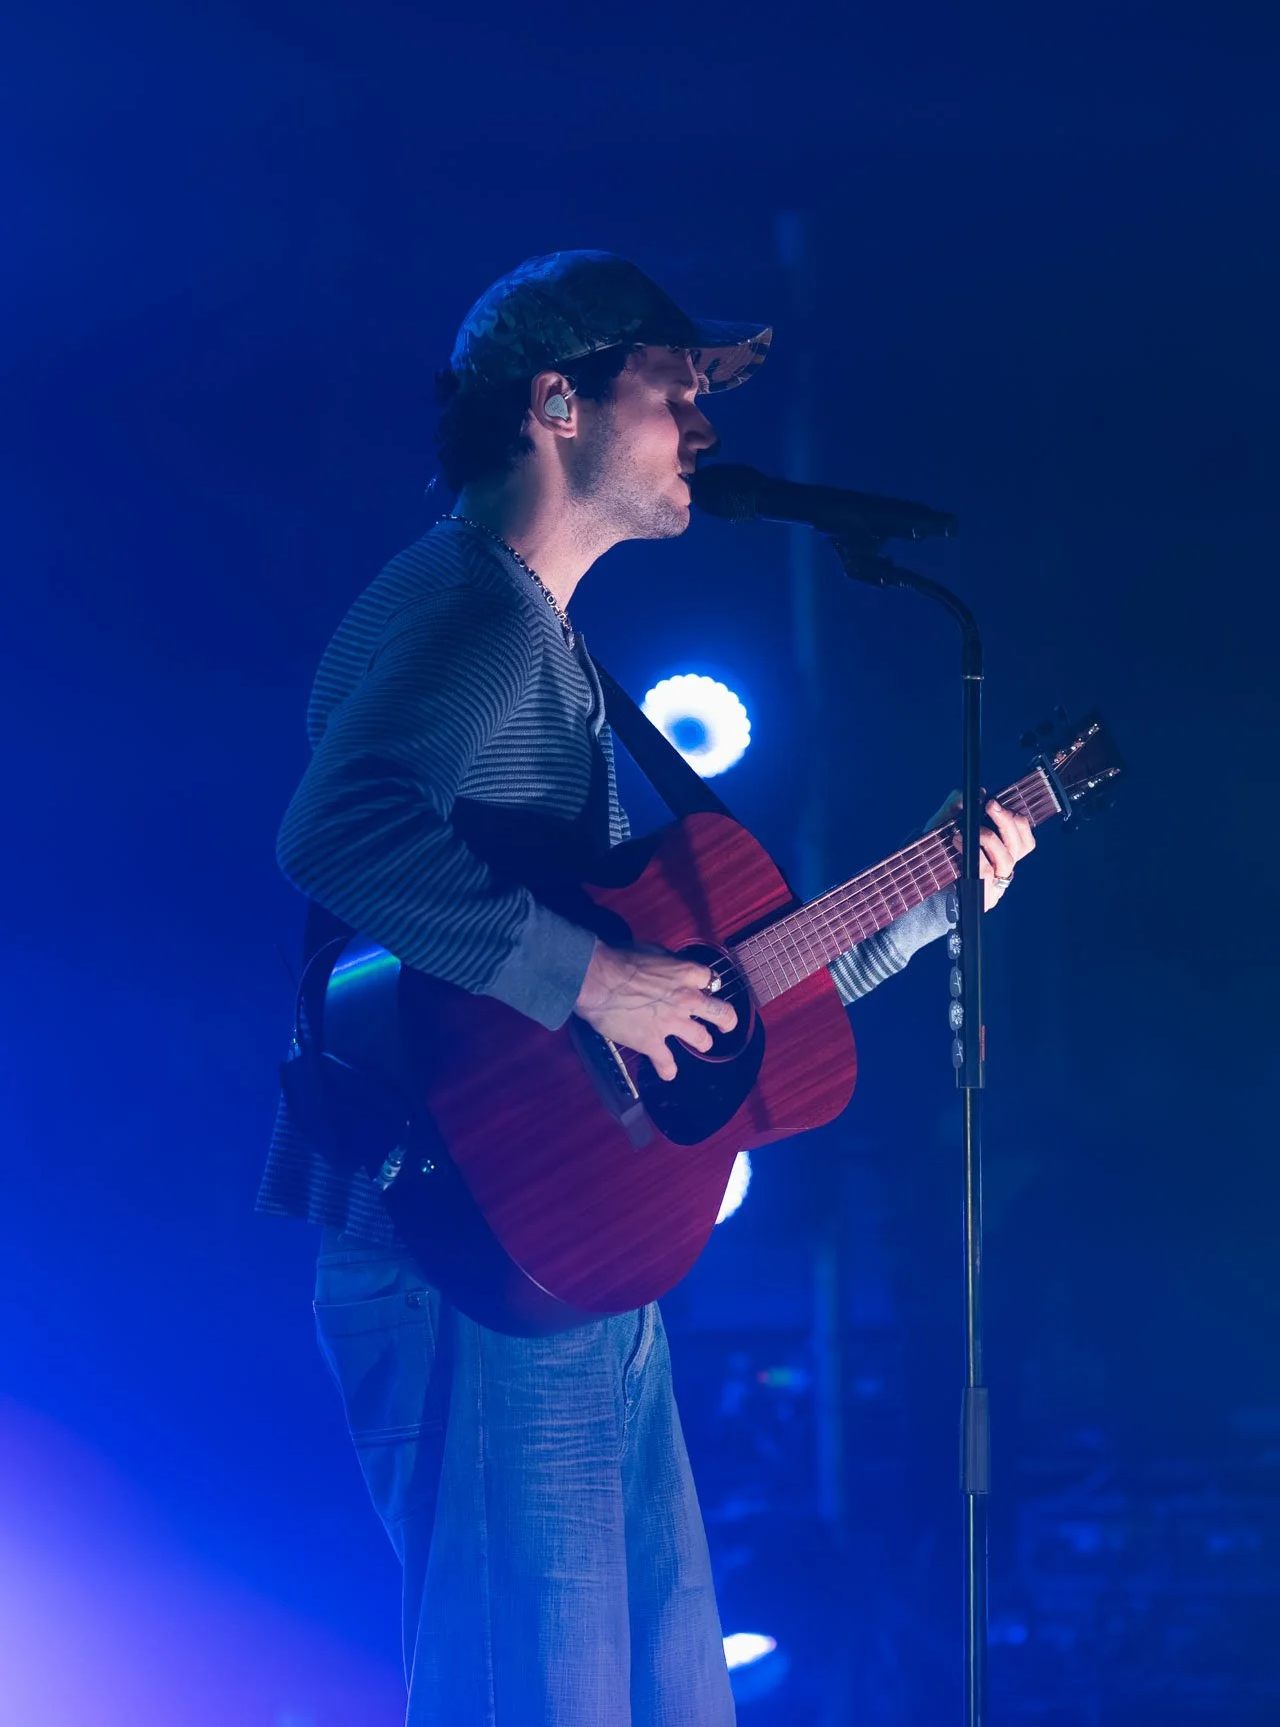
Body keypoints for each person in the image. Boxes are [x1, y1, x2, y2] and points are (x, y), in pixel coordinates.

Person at [257, 249, 1034, 1726]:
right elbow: (336, 832)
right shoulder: (473, 610)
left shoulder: (536, 639)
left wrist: (931, 901)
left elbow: (707, 995)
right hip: (462, 1249)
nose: (705, 426)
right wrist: (597, 979)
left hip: (565, 1244)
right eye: (677, 388)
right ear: (557, 402)